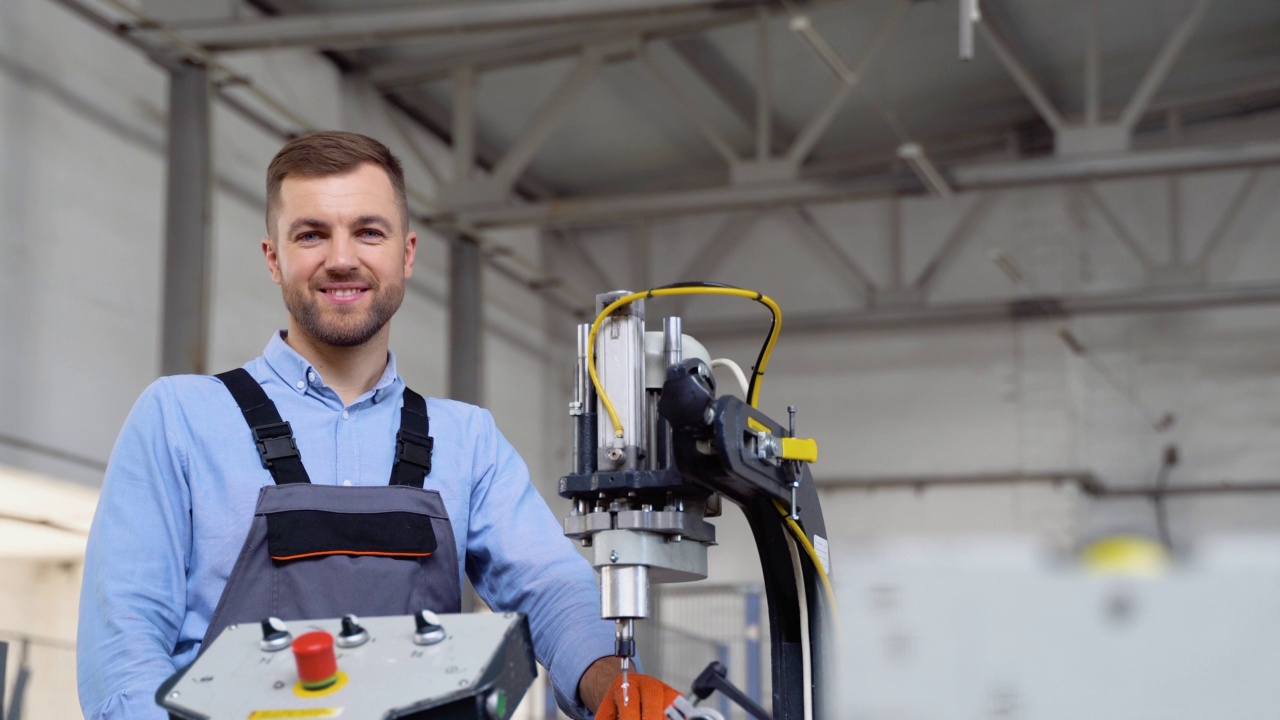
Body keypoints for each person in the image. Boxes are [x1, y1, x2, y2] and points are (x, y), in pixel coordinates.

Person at [76, 131, 644, 719]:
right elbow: (124, 644)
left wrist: (613, 683)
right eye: (311, 234)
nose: (342, 258)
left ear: (408, 253)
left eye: (369, 232)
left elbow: (550, 587)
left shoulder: (468, 441)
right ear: (274, 258)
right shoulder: (179, 418)